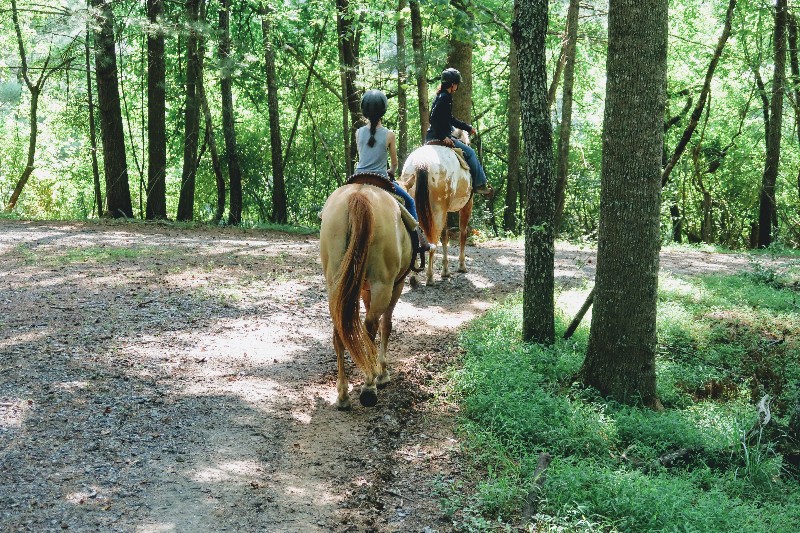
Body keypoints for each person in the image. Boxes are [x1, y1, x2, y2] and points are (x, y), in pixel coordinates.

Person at [355, 89, 431, 253]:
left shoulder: (358, 132)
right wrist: (390, 170)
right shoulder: (389, 135)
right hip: (380, 179)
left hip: (358, 178)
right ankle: (418, 240)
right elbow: (395, 165)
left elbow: (363, 157)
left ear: (364, 111)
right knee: (410, 202)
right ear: (383, 110)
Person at [425, 68, 493, 197]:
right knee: (470, 152)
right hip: (439, 137)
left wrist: (467, 128)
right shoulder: (445, 97)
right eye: (457, 84)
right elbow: (432, 118)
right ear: (452, 84)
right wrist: (443, 136)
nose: (457, 86)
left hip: (430, 136)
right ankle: (480, 184)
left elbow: (449, 119)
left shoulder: (441, 96)